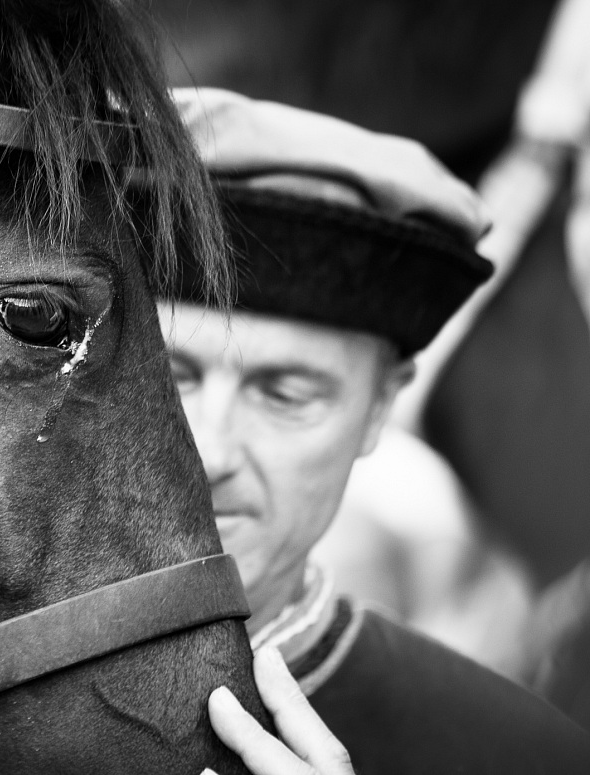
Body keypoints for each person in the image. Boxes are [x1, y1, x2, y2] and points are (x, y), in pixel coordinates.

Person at [164, 89, 590, 773]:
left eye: (286, 393)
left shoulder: (523, 756)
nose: (209, 451)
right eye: (170, 376)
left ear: (380, 410)